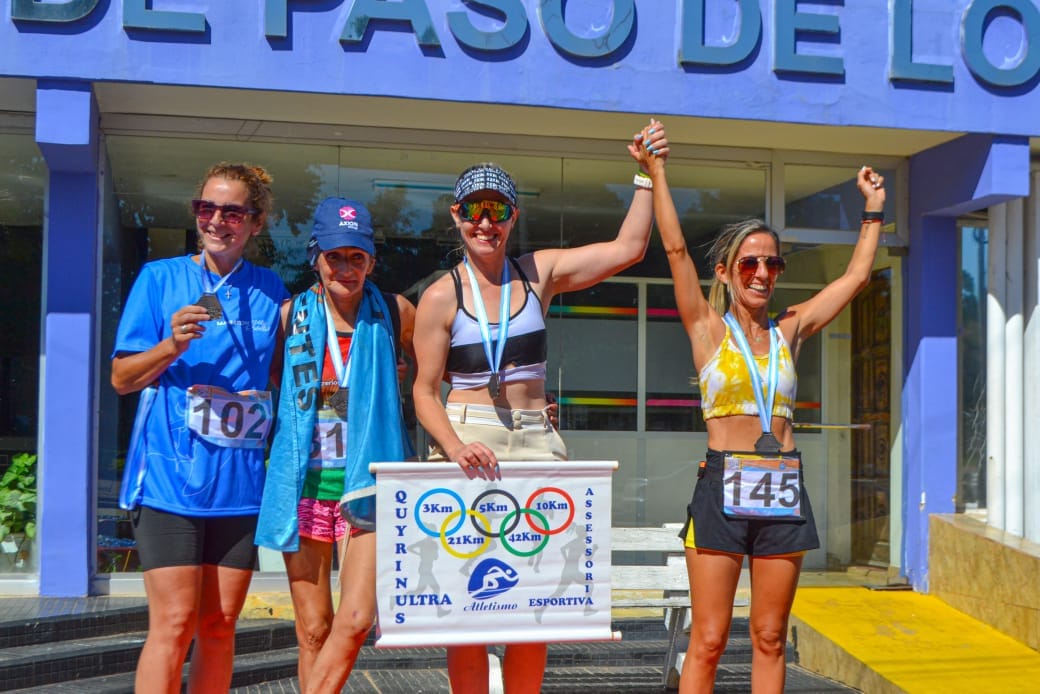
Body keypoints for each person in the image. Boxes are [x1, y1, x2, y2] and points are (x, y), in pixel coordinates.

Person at [411, 120, 669, 694]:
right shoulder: (441, 295)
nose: (485, 222)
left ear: (513, 217)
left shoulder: (537, 272)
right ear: (455, 215)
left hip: (535, 438)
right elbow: (424, 390)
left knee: (537, 603)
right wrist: (453, 446)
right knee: (466, 606)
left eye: (497, 210)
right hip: (469, 439)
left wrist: (645, 175)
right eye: (473, 210)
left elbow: (628, 249)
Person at [643, 152, 886, 693]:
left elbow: (855, 277)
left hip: (781, 489)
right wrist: (656, 173)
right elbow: (676, 250)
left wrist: (873, 210)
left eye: (772, 264)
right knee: (708, 639)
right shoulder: (708, 329)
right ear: (725, 272)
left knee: (771, 636)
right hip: (722, 485)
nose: (761, 273)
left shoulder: (789, 331)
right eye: (749, 263)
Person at [111, 163, 289, 693]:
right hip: (170, 480)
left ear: (256, 222)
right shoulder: (159, 278)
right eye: (205, 208)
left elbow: (284, 373)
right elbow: (121, 378)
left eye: (232, 212)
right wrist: (171, 346)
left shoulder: (270, 288)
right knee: (173, 623)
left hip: (239, 485)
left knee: (219, 625)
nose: (216, 221)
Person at [255, 197, 414, 693]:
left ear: (371, 260)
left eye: (357, 257)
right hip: (305, 485)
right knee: (313, 629)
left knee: (358, 618)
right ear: (315, 257)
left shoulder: (395, 312)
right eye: (335, 256)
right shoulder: (289, 316)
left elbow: (434, 377)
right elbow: (275, 382)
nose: (346, 268)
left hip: (367, 487)